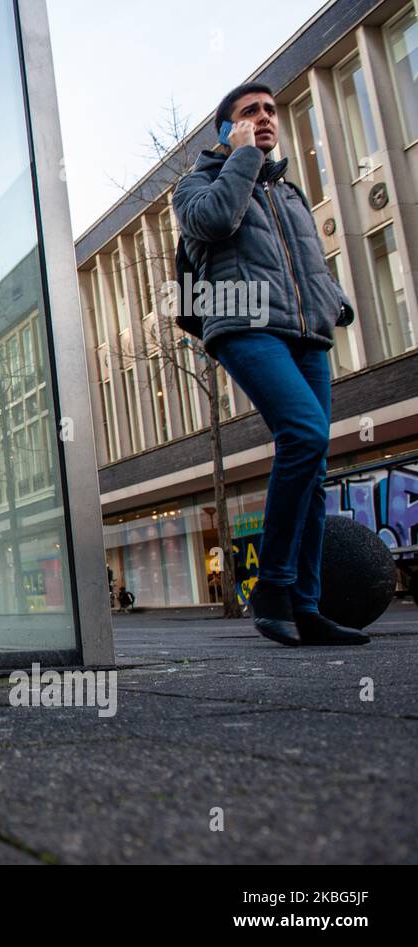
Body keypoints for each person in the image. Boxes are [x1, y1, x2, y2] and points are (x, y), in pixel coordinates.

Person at [172, 82, 368, 647]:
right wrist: (242, 159)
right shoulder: (199, 183)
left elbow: (311, 260)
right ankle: (272, 587)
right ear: (226, 128)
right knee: (304, 433)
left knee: (315, 465)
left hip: (307, 334)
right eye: (249, 112)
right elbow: (211, 224)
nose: (264, 118)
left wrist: (336, 300)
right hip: (244, 324)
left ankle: (305, 606)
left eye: (270, 111)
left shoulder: (290, 194)